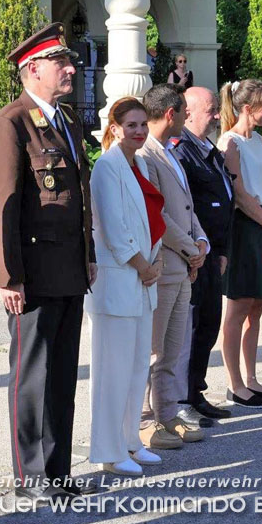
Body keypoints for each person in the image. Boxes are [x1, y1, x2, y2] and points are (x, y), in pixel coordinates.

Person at [0, 23, 97, 504]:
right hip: (33, 272)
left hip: (69, 268)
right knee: (33, 375)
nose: (71, 69)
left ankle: (58, 468)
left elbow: (79, 198)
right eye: (61, 63)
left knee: (63, 374)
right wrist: (7, 276)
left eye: (69, 62)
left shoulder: (66, 121)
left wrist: (88, 256)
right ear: (32, 70)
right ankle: (32, 475)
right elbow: (2, 203)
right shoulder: (10, 123)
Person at [87, 97, 165, 476]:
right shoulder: (107, 167)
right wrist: (142, 265)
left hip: (144, 278)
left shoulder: (143, 164)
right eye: (130, 125)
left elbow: (154, 218)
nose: (138, 131)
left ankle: (131, 441)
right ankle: (108, 449)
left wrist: (157, 259)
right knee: (112, 372)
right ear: (115, 128)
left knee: (137, 368)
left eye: (142, 125)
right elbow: (113, 228)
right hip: (120, 278)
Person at [138, 83, 208, 448]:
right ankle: (144, 420)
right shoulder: (146, 155)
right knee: (154, 350)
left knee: (173, 348)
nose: (187, 118)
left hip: (182, 266)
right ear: (171, 114)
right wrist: (188, 247)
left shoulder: (171, 151)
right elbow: (158, 214)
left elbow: (187, 207)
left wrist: (202, 242)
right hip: (165, 265)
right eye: (183, 112)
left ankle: (166, 413)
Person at [218, 79, 262, 407]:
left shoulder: (258, 139)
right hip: (248, 228)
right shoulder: (229, 143)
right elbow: (242, 196)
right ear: (247, 108)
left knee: (258, 306)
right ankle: (235, 383)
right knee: (239, 307)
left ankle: (252, 379)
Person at [171, 87, 234, 426]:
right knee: (190, 329)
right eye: (210, 110)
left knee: (208, 324)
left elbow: (224, 200)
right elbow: (185, 208)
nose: (215, 116)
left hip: (211, 252)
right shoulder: (181, 151)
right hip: (192, 254)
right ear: (189, 112)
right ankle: (181, 398)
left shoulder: (208, 148)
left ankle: (195, 391)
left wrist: (221, 250)